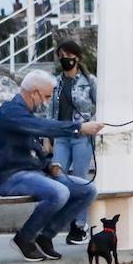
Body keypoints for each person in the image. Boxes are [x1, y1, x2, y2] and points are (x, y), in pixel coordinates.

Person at [0, 69, 105, 263]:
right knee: (59, 192)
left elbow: (34, 147)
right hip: (10, 177)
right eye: (47, 96)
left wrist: (49, 165)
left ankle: (45, 237)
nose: (47, 102)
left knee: (88, 190)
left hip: (34, 173)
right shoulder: (10, 112)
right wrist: (78, 127)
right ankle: (24, 238)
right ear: (34, 93)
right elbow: (43, 126)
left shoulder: (25, 114)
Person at [48, 40, 98, 244]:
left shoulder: (90, 81)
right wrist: (46, 138)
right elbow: (50, 111)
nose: (65, 59)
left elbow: (98, 106)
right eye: (61, 55)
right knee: (58, 177)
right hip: (61, 136)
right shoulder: (55, 83)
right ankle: (57, 223)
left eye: (68, 55)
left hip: (82, 138)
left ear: (77, 57)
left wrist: (92, 127)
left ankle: (79, 226)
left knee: (80, 180)